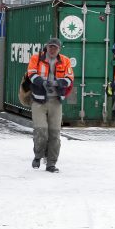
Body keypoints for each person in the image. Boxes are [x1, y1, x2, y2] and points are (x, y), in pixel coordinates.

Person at [27, 37, 74, 173]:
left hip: (56, 101)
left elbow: (70, 78)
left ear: (59, 49)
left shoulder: (65, 61)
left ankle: (51, 163)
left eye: (55, 47)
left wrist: (61, 82)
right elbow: (31, 74)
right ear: (46, 47)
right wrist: (42, 81)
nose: (52, 49)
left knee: (54, 134)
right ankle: (38, 156)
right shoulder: (36, 58)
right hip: (39, 100)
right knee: (41, 131)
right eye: (50, 47)